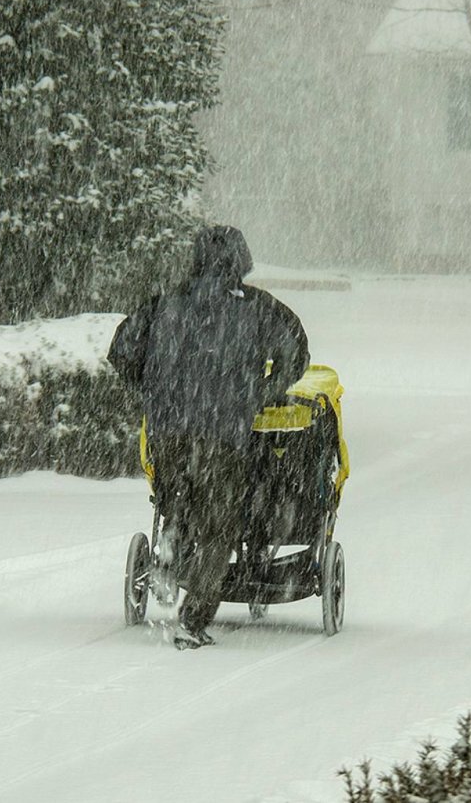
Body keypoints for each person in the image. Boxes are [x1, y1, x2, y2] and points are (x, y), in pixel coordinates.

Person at [107, 225, 310, 649]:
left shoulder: (165, 304)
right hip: (224, 432)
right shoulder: (258, 309)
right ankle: (192, 620)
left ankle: (171, 544)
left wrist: (152, 390)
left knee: (176, 502)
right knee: (220, 527)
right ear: (241, 262)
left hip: (168, 430)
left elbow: (121, 349)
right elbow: (297, 353)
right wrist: (260, 392)